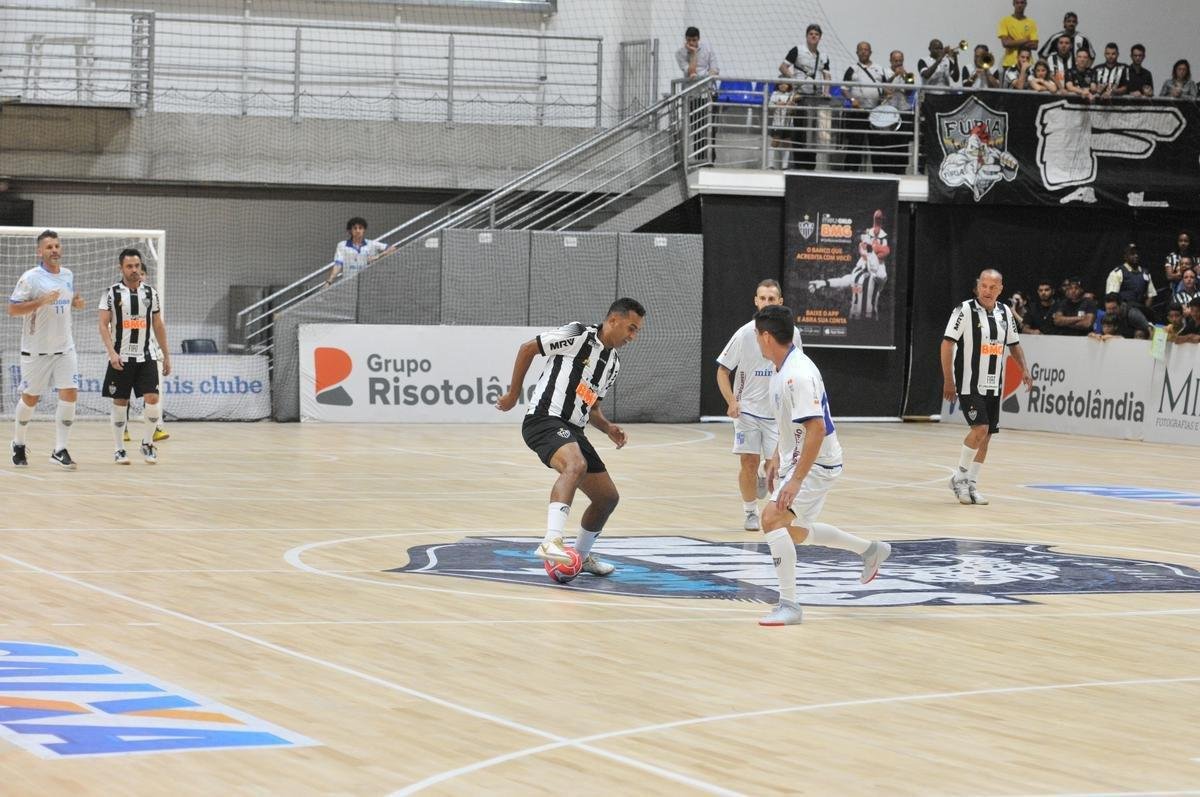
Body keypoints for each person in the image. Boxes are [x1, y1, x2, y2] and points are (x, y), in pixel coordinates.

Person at [753, 304, 891, 627]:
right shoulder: (781, 368)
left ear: (767, 337)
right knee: (794, 532)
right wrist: (776, 456)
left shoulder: (798, 374)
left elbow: (816, 428)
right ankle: (870, 550)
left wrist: (796, 480)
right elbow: (790, 423)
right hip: (799, 460)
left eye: (758, 335)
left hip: (817, 463)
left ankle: (789, 605)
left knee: (771, 519)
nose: (757, 340)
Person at [495, 298, 645, 574]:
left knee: (607, 498)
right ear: (613, 320)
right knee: (575, 465)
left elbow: (593, 407)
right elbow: (528, 349)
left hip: (574, 429)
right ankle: (551, 541)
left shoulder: (613, 364)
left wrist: (607, 427)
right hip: (544, 419)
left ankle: (581, 557)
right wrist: (513, 395)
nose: (633, 337)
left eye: (637, 331)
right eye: (631, 328)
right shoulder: (578, 334)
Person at [715, 279, 803, 532]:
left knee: (777, 465)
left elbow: (796, 369)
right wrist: (732, 401)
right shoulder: (745, 334)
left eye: (771, 299)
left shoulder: (793, 334)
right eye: (762, 298)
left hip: (777, 412)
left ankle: (767, 482)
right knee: (748, 462)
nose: (766, 303)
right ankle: (750, 512)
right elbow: (722, 371)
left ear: (780, 302)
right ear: (755, 301)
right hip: (748, 411)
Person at [940, 269, 1033, 506]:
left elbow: (1014, 344)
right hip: (969, 383)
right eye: (984, 286)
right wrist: (949, 380)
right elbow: (947, 344)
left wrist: (1024, 369)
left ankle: (971, 483)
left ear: (1000, 289)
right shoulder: (964, 310)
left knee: (987, 436)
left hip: (993, 384)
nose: (987, 291)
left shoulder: (1005, 312)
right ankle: (959, 479)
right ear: (977, 286)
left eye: (993, 287)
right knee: (980, 429)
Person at [8, 229, 87, 469]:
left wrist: (75, 303)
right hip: (36, 351)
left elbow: (64, 303)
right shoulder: (30, 278)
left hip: (65, 349)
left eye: (57, 246)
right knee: (30, 398)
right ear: (39, 251)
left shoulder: (68, 274)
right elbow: (13, 309)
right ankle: (18, 443)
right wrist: (40, 301)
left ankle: (60, 449)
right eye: (49, 247)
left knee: (70, 393)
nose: (54, 250)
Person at [98, 248, 171, 465]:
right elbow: (103, 325)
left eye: (137, 266)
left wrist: (166, 355)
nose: (134, 270)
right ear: (121, 268)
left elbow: (158, 324)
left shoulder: (151, 293)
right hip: (121, 357)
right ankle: (119, 449)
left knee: (153, 399)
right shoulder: (111, 293)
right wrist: (112, 353)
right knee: (120, 402)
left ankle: (147, 443)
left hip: (146, 356)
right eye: (129, 266)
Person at [807, 209, 889, 320]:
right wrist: (824, 282)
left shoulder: (879, 271)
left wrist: (870, 251)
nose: (863, 245)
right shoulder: (858, 269)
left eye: (867, 243)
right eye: (863, 243)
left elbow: (878, 272)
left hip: (868, 322)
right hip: (853, 319)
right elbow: (843, 281)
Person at [123, 257, 169, 444]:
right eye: (136, 272)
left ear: (146, 276)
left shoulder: (150, 296)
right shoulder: (120, 296)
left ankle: (154, 428)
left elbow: (157, 325)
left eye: (142, 273)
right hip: (125, 352)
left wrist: (162, 351)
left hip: (148, 351)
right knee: (124, 394)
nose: (139, 275)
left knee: (151, 393)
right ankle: (123, 428)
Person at [779, 24, 831, 171]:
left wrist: (826, 91)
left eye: (816, 34)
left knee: (814, 133)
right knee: (800, 131)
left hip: (816, 99)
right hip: (801, 97)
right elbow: (782, 67)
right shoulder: (797, 50)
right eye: (811, 34)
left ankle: (810, 166)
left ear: (820, 37)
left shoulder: (824, 56)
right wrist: (794, 80)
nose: (813, 36)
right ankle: (799, 165)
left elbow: (827, 76)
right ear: (806, 36)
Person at [840, 41, 886, 172]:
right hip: (857, 112)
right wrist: (852, 99)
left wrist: (885, 98)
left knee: (876, 143)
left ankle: (879, 172)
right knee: (855, 143)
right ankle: (850, 171)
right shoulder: (852, 69)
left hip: (875, 112)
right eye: (861, 49)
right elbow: (844, 89)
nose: (863, 52)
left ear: (870, 52)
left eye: (866, 49)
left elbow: (886, 88)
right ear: (857, 52)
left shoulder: (879, 69)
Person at [325, 217, 397, 285]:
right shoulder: (342, 245)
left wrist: (377, 256)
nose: (358, 231)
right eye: (355, 228)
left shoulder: (371, 243)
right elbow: (338, 265)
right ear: (350, 231)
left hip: (368, 282)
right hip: (349, 283)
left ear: (364, 230)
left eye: (360, 228)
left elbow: (393, 248)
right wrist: (329, 282)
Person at [1105, 243, 1156, 334]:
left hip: (1140, 310)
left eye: (1137, 253)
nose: (1136, 256)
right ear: (1125, 257)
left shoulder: (1145, 273)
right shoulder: (1117, 273)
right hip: (1124, 313)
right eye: (1132, 254)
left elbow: (1151, 294)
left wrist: (1145, 311)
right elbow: (1112, 298)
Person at [997, 0, 1039, 69]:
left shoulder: (1031, 23)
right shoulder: (1005, 21)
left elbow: (1035, 46)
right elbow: (1005, 43)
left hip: (1027, 62)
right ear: (1013, 4)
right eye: (1017, 2)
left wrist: (1012, 42)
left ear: (1025, 4)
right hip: (1010, 63)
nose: (1019, 5)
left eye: (1022, 2)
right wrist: (1025, 40)